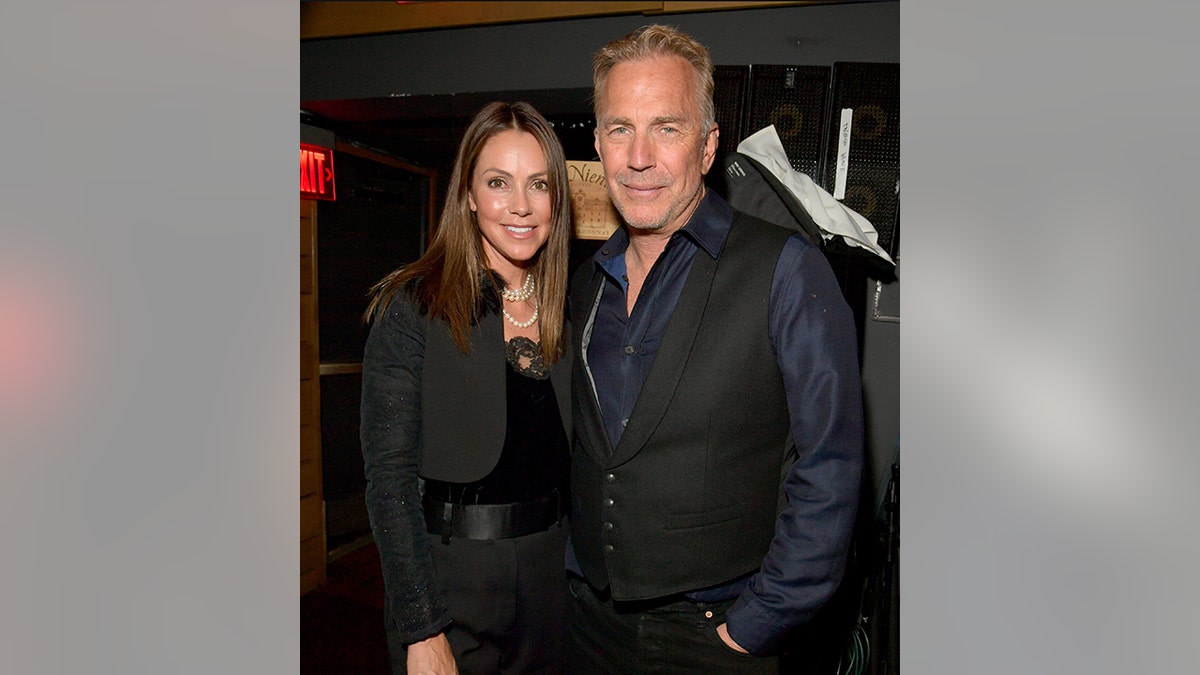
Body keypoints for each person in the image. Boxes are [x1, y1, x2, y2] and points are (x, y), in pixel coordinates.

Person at [565, 25, 865, 673]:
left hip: (715, 635)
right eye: (620, 129)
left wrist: (760, 622)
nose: (639, 155)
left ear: (706, 147)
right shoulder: (587, 282)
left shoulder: (786, 269)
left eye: (666, 128)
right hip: (589, 627)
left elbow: (831, 464)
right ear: (597, 145)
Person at [360, 101, 574, 674]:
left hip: (554, 588)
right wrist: (422, 626)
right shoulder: (413, 306)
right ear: (470, 196)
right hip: (450, 586)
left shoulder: (574, 309)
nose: (522, 206)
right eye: (499, 183)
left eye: (539, 185)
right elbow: (389, 483)